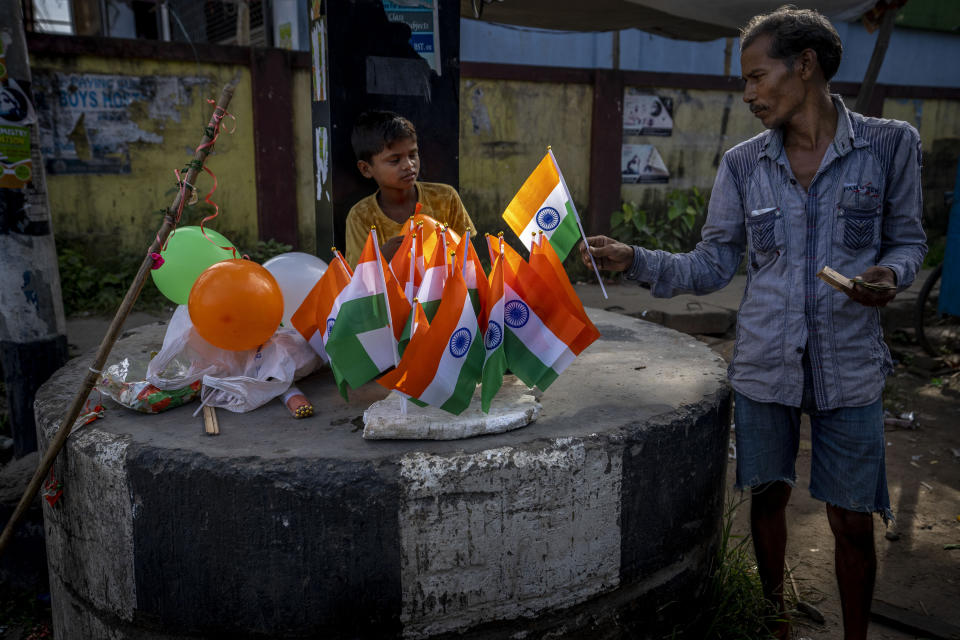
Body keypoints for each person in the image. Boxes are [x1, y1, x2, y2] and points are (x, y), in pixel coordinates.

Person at [581, 8, 925, 640]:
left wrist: (891, 275)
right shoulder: (743, 165)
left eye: (756, 77)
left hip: (849, 367)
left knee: (851, 521)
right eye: (744, 82)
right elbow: (714, 262)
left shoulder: (890, 144)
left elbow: (909, 241)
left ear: (805, 65)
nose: (747, 95)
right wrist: (638, 259)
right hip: (764, 364)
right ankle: (775, 624)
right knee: (767, 499)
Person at [344, 110, 476, 266]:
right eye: (395, 160)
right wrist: (380, 258)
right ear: (366, 169)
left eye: (413, 155)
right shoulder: (361, 216)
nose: (409, 165)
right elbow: (358, 279)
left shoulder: (445, 198)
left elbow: (467, 259)